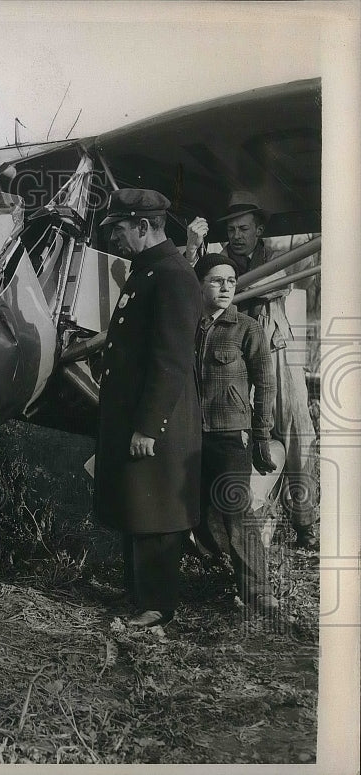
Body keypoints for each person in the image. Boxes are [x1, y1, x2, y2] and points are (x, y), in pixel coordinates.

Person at [95, 188, 203, 628]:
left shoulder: (173, 275)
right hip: (137, 415)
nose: (115, 239)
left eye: (120, 229)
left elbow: (171, 360)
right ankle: (140, 596)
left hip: (159, 419)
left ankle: (157, 606)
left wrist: (148, 427)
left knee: (157, 511)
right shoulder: (148, 271)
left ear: (143, 226)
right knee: (138, 504)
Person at [186, 192, 319, 549]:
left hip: (275, 349)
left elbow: (278, 284)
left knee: (295, 428)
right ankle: (226, 527)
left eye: (244, 228)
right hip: (235, 353)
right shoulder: (220, 264)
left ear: (258, 229)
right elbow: (196, 282)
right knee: (236, 430)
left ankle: (305, 522)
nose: (237, 235)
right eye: (231, 229)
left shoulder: (275, 258)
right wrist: (194, 248)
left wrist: (233, 285)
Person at [193, 254, 281, 617]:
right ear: (200, 285)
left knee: (236, 511)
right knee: (190, 510)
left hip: (231, 437)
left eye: (231, 280)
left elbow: (266, 383)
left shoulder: (247, 328)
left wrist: (260, 435)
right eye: (217, 280)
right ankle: (210, 567)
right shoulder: (186, 327)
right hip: (188, 437)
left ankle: (258, 592)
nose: (226, 286)